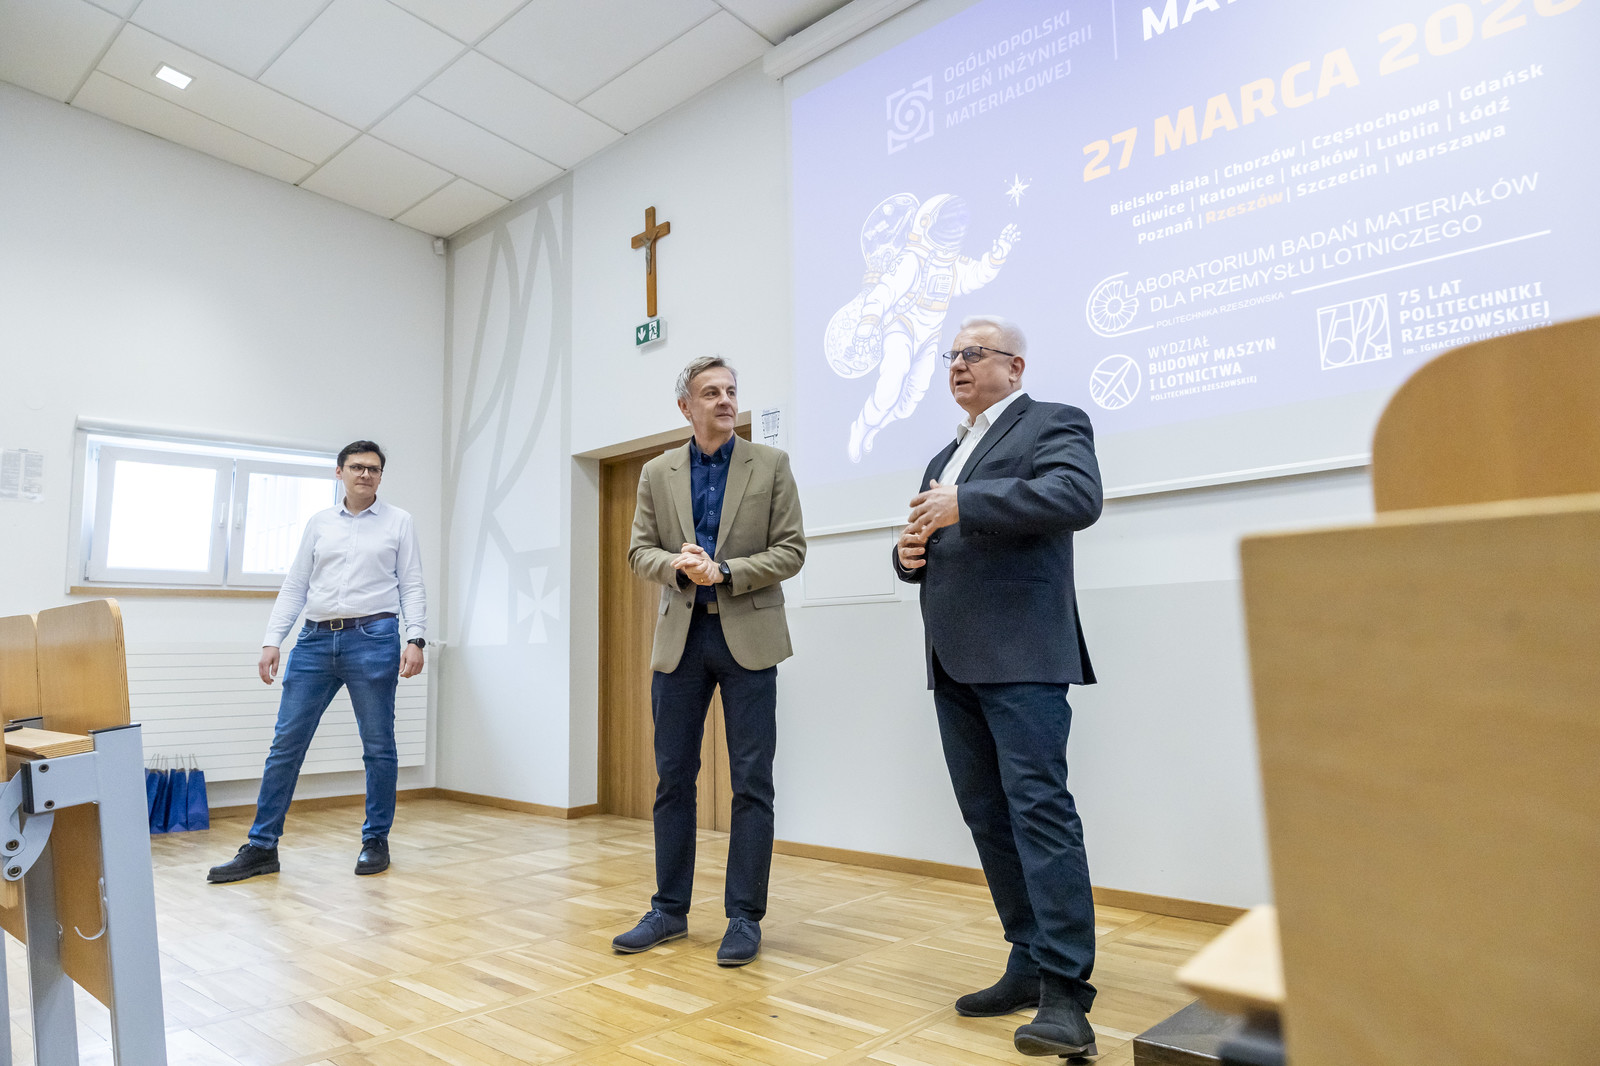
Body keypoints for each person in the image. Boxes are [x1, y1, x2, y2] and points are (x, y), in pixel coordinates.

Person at [893, 316, 1104, 1058]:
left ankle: (1067, 994)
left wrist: (968, 504)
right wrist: (907, 554)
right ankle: (1027, 957)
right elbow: (929, 543)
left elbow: (1076, 496)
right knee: (987, 816)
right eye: (951, 355)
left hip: (1021, 656)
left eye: (973, 353)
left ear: (1014, 366)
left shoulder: (1053, 422)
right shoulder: (943, 455)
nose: (957, 364)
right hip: (953, 660)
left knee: (1040, 814)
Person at [614, 356, 806, 966]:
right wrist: (678, 565)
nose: (725, 400)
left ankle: (744, 918)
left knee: (752, 782)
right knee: (673, 779)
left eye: (731, 390)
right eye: (711, 392)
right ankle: (668, 911)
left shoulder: (770, 464)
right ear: (686, 407)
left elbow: (791, 551)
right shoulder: (657, 471)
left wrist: (723, 571)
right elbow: (638, 551)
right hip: (681, 640)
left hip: (749, 636)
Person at [208, 440, 427, 883]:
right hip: (313, 640)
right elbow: (296, 584)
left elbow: (412, 584)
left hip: (374, 638)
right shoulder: (319, 523)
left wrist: (416, 637)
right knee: (286, 744)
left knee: (378, 746)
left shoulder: (399, 522)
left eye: (373, 469)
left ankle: (375, 840)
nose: (365, 474)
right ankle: (261, 847)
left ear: (380, 477)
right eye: (357, 467)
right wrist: (273, 640)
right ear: (339, 472)